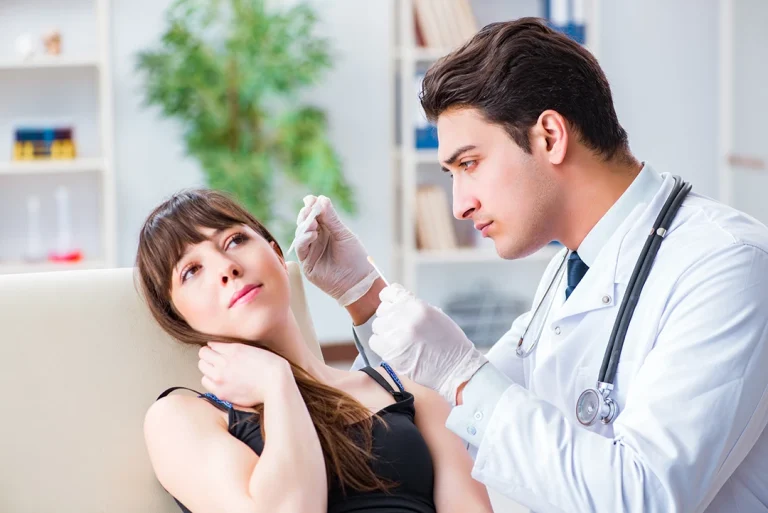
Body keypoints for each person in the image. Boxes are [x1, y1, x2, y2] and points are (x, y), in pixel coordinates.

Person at [233, 17, 768, 513]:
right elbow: (457, 419)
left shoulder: (725, 264)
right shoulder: (573, 268)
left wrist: (464, 374)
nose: (459, 205)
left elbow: (644, 495)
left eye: (469, 164)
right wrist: (364, 295)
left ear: (550, 136)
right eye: (450, 174)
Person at [135, 189, 494, 513]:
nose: (226, 268)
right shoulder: (180, 418)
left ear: (276, 253)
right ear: (175, 315)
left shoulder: (410, 390)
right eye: (192, 271)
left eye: (234, 240)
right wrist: (278, 384)